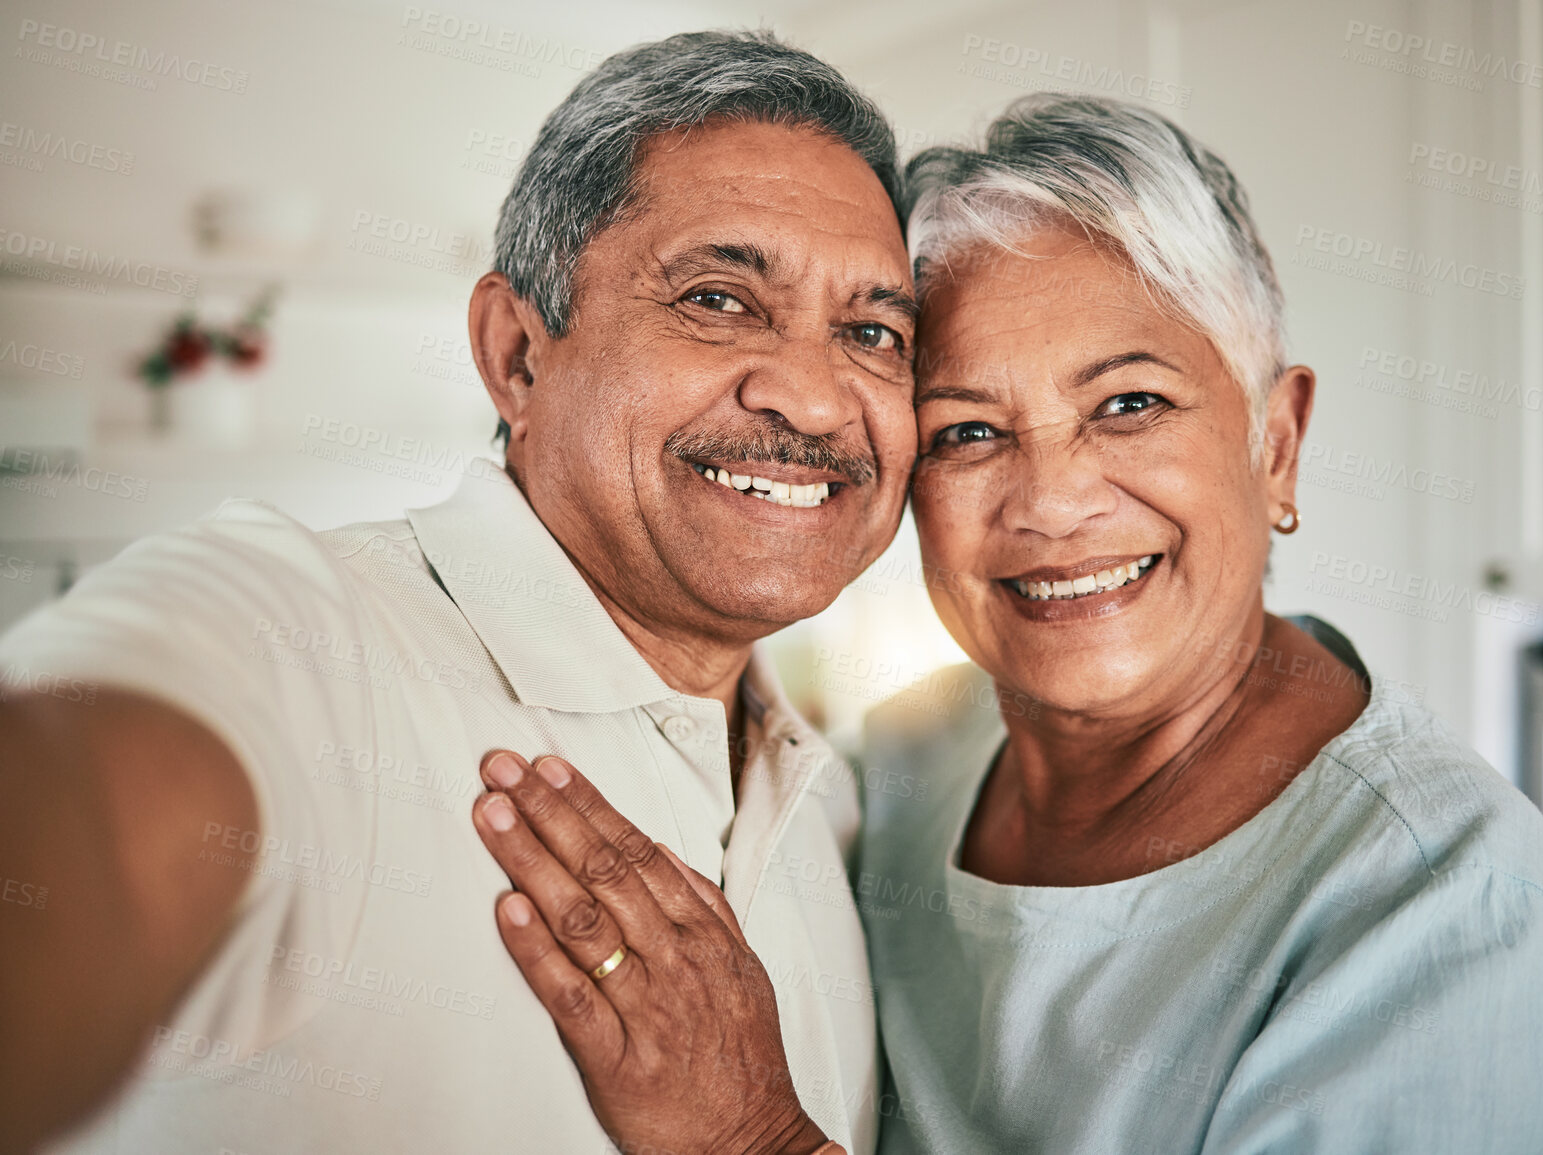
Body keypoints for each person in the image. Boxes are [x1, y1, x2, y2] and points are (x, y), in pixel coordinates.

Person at [471, 95, 1543, 1153]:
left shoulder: (1435, 887)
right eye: (967, 431)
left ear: (1274, 442)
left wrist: (753, 1140)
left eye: (1129, 404)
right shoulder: (908, 759)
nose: (1052, 503)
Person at [0, 30, 916, 1155]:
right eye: (720, 300)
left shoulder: (831, 803)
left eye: (873, 332)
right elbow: (79, 808)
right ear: (518, 355)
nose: (817, 401)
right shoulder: (300, 636)